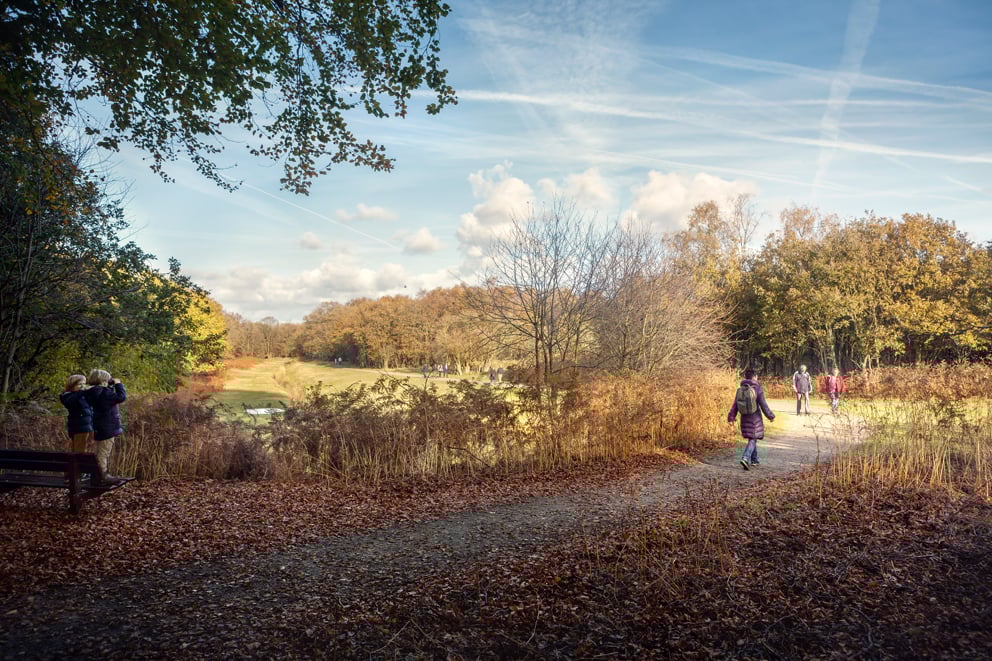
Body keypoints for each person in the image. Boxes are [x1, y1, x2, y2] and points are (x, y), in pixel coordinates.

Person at [84, 369, 127, 484]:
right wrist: (118, 383)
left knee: (99, 451)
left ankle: (97, 475)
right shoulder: (105, 393)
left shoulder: (92, 392)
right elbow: (121, 397)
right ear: (104, 380)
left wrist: (109, 386)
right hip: (108, 427)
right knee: (103, 453)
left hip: (99, 426)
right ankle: (103, 476)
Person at [728, 368, 776, 470]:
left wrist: (731, 417)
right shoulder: (757, 388)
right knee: (753, 438)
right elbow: (763, 404)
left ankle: (754, 460)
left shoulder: (740, 389)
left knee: (752, 437)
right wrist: (771, 416)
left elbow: (735, 405)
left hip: (744, 417)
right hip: (755, 418)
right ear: (754, 377)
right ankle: (745, 458)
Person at [59, 374, 93, 452]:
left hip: (86, 427)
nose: (82, 386)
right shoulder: (67, 396)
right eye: (80, 384)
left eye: (84, 384)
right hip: (79, 428)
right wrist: (81, 392)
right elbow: (69, 402)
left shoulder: (81, 395)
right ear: (72, 385)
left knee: (81, 450)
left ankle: (77, 463)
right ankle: (77, 464)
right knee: (79, 451)